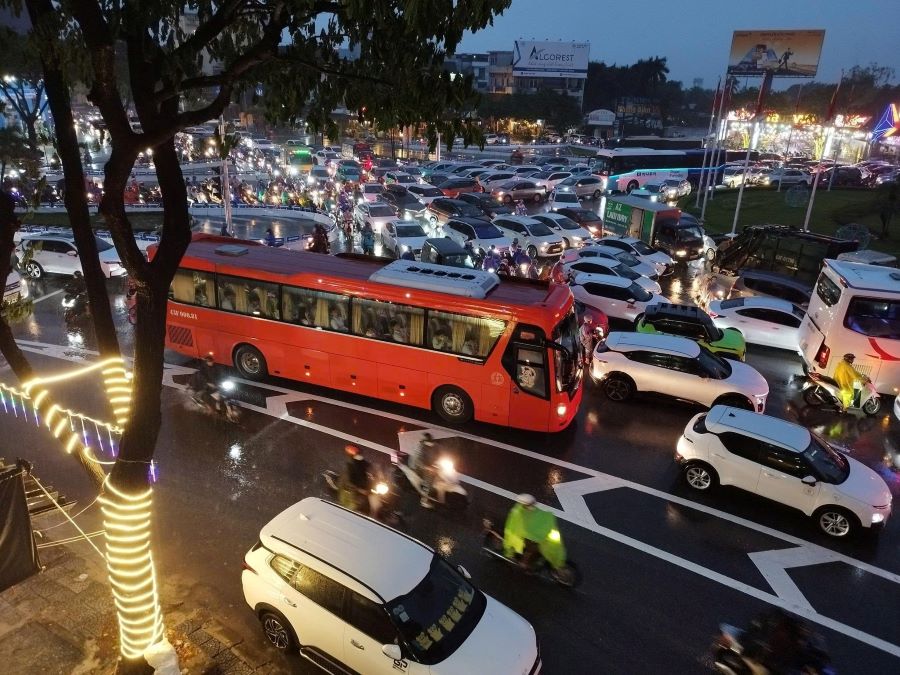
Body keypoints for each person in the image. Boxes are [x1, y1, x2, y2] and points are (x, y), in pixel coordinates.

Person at [502, 493, 567, 572]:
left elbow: (539, 517)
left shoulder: (531, 511)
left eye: (532, 504)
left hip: (527, 534)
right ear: (524, 505)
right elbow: (520, 528)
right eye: (529, 504)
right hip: (519, 535)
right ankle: (524, 562)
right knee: (532, 547)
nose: (532, 506)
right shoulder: (518, 513)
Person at [338, 445, 371, 513]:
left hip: (364, 486)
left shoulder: (361, 462)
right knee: (354, 506)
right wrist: (360, 490)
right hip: (353, 491)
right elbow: (349, 482)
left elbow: (370, 468)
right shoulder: (350, 467)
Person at [414, 432, 438, 508]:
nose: (431, 442)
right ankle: (424, 501)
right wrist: (429, 467)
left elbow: (435, 453)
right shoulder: (421, 448)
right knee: (429, 481)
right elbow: (419, 461)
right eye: (429, 440)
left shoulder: (430, 446)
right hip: (420, 467)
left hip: (430, 464)